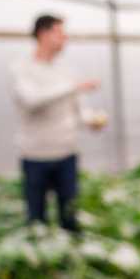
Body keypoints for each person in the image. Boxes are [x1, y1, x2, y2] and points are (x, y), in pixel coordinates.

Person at [9, 14, 106, 232]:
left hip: (66, 153)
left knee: (69, 215)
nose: (65, 39)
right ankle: (41, 259)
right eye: (60, 34)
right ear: (43, 34)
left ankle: (69, 258)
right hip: (35, 155)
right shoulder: (22, 68)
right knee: (36, 219)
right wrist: (74, 87)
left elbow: (78, 108)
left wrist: (91, 120)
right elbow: (31, 100)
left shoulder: (66, 70)